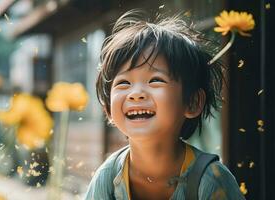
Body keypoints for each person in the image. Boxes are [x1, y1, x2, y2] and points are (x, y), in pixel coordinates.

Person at [85, 10, 245, 199]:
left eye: (155, 80)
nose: (136, 94)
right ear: (109, 109)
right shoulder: (108, 176)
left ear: (193, 102)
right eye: (123, 83)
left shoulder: (211, 180)